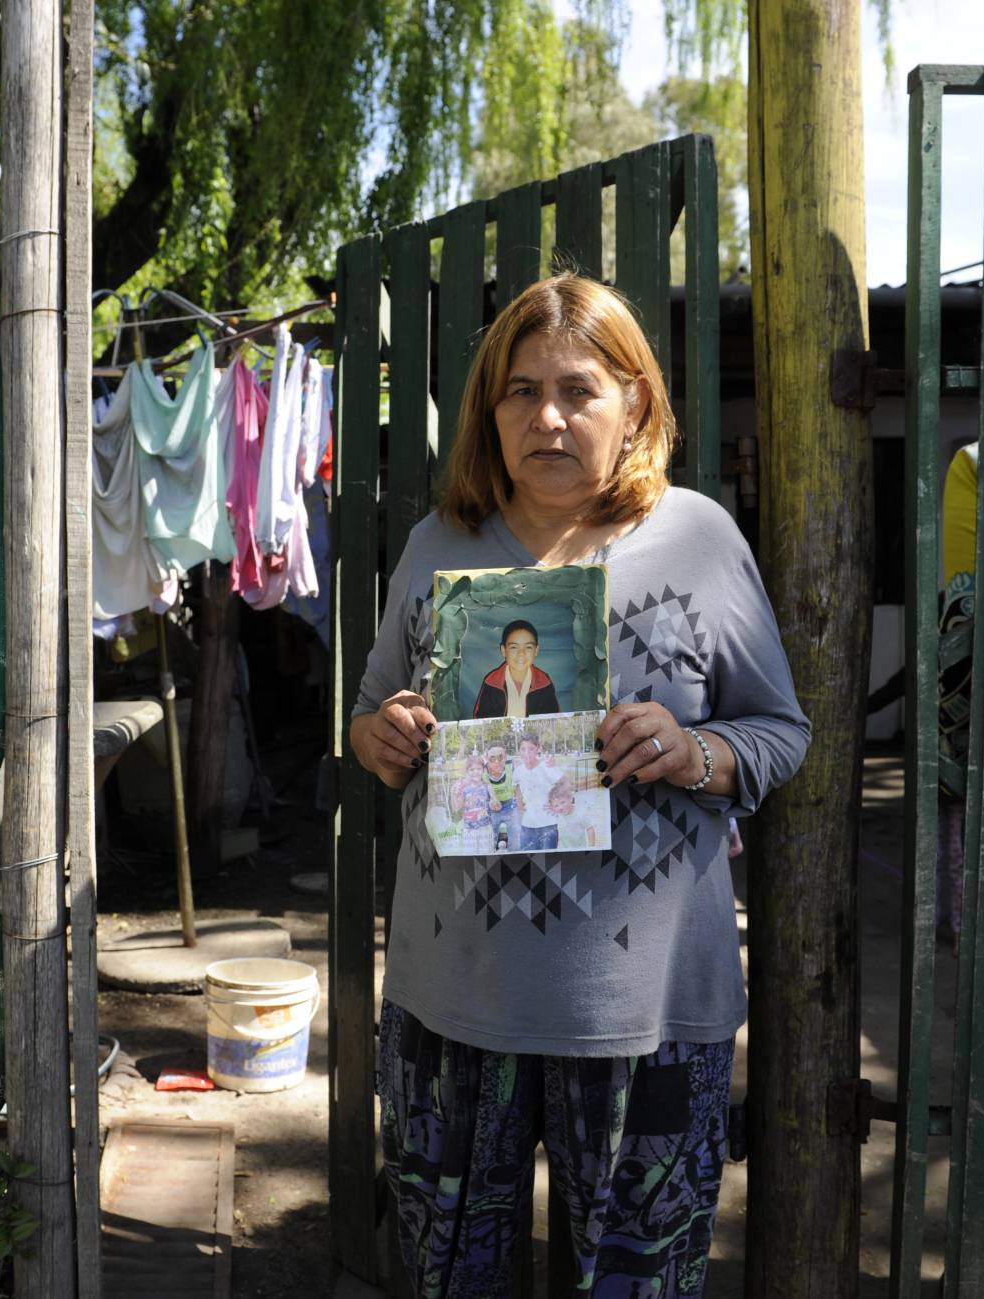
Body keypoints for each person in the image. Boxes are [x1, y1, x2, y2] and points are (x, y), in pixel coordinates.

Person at [348, 274, 810, 1298]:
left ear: (634, 403)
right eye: (519, 392)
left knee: (635, 1284)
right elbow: (374, 708)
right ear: (489, 410)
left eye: (576, 390)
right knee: (447, 1278)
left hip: (644, 1012)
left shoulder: (697, 538)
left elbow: (780, 732)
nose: (545, 416)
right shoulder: (438, 547)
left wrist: (694, 752)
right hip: (452, 1001)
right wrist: (380, 736)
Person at [472, 619, 561, 717]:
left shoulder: (544, 682)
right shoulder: (492, 682)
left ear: (536, 650)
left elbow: (553, 719)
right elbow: (480, 718)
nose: (521, 654)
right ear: (503, 650)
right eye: (514, 647)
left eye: (528, 647)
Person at [513, 731, 571, 851]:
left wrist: (556, 804)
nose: (527, 753)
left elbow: (566, 783)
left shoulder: (547, 767)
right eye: (523, 749)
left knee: (547, 860)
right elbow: (518, 787)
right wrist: (519, 804)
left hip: (548, 825)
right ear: (519, 750)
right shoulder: (518, 771)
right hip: (527, 825)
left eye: (531, 749)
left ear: (538, 749)